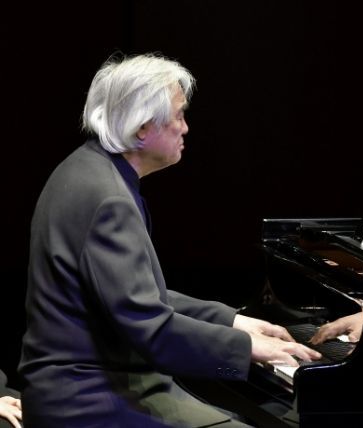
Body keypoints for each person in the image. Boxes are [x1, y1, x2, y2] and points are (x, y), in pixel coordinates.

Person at [19, 53, 321, 428]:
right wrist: (248, 349)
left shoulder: (87, 168)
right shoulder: (109, 199)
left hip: (89, 386)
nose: (186, 128)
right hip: (90, 400)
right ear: (142, 128)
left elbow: (135, 296)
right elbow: (152, 329)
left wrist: (234, 322)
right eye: (179, 116)